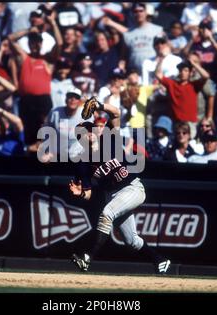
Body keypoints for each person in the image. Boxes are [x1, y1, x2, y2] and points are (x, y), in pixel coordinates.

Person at [69, 97, 171, 274]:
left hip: (132, 188)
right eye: (81, 133)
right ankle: (160, 260)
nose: (87, 133)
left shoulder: (109, 139)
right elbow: (89, 194)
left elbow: (116, 113)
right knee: (131, 240)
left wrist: (99, 106)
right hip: (113, 195)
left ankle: (87, 257)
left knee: (107, 214)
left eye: (89, 129)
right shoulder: (82, 163)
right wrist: (79, 194)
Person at [8, 12, 63, 147]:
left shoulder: (47, 60)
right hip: (26, 100)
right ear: (29, 43)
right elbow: (10, 39)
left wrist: (53, 23)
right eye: (32, 42)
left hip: (43, 100)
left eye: (37, 42)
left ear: (41, 43)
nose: (35, 45)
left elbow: (59, 43)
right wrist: (29, 30)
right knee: (29, 135)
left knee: (46, 133)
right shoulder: (24, 58)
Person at [155, 57, 210, 139]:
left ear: (190, 73)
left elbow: (206, 76)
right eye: (181, 70)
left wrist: (194, 64)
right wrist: (161, 60)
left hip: (190, 124)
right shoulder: (172, 84)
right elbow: (158, 75)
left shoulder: (194, 85)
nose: (183, 73)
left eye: (186, 70)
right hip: (176, 123)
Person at [38, 87, 93, 161]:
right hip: (57, 152)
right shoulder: (55, 112)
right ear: (65, 99)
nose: (73, 99)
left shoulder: (86, 115)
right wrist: (47, 150)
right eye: (70, 96)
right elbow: (46, 132)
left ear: (80, 101)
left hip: (78, 154)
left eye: (76, 97)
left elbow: (92, 135)